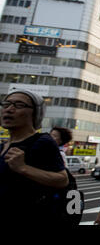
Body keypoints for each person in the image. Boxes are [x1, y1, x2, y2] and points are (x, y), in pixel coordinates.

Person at [0, 89, 68, 224]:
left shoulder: (42, 142)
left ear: (35, 113)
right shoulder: (3, 146)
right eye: (6, 104)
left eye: (19, 105)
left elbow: (62, 179)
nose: (9, 109)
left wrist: (23, 168)